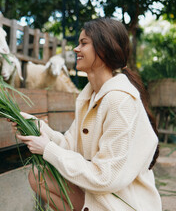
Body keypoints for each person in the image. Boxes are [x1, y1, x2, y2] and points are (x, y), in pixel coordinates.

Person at [12, 18, 162, 211]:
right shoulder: (90, 96)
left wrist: (48, 149)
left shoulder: (119, 101)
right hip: (103, 194)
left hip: (123, 202)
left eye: (83, 43)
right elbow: (70, 146)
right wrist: (39, 127)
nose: (76, 49)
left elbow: (106, 177)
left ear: (104, 49)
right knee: (38, 176)